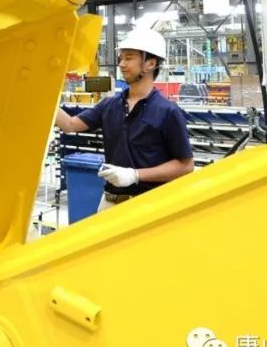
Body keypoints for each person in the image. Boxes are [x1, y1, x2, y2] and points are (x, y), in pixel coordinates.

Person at [54, 28, 194, 211]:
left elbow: (185, 166)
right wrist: (43, 97)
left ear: (150, 63)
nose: (121, 64)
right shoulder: (109, 105)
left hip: (148, 206)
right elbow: (70, 125)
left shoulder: (167, 111)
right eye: (121, 58)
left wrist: (135, 175)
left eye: (129, 58)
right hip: (109, 201)